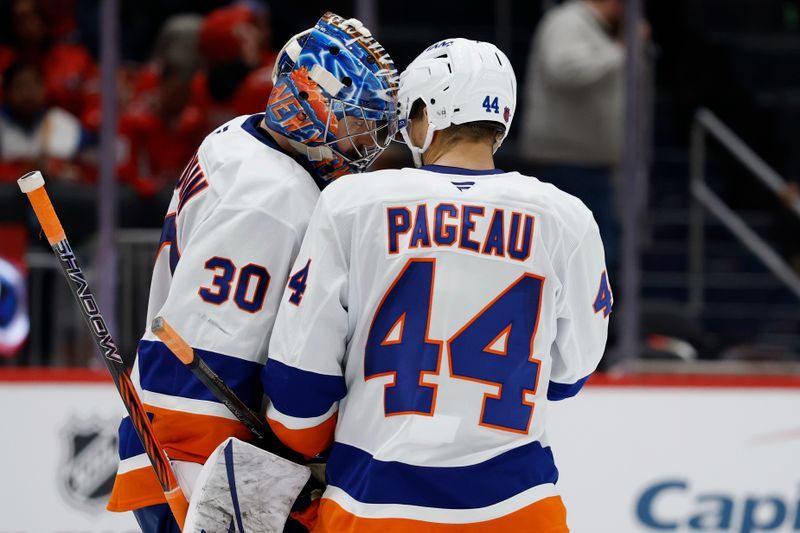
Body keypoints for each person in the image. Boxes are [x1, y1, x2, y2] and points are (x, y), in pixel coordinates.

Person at [262, 38, 612, 532]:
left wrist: (301, 449)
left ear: (426, 112)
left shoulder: (356, 202)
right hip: (520, 510)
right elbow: (568, 376)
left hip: (375, 506)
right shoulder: (566, 216)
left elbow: (301, 387)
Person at [106, 12, 398, 533]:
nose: (365, 142)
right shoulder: (276, 201)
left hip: (170, 440)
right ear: (311, 105)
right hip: (201, 465)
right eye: (357, 120)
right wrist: (222, 500)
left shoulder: (238, 137)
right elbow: (204, 364)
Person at [520, 0, 650, 275]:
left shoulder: (590, 28)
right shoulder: (569, 21)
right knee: (583, 264)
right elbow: (564, 70)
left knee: (594, 262)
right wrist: (622, 51)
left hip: (586, 167)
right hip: (567, 166)